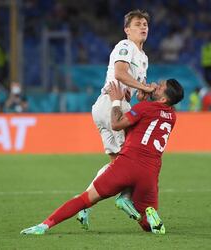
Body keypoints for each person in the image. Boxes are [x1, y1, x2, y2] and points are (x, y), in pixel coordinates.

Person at [20, 78, 184, 235]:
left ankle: (44, 226)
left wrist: (115, 101)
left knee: (85, 199)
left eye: (160, 86)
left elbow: (117, 124)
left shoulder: (145, 108)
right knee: (147, 225)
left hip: (126, 165)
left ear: (163, 98)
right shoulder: (172, 117)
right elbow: (146, 123)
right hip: (150, 173)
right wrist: (143, 100)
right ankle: (146, 213)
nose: (156, 85)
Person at [78, 9, 155, 229]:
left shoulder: (144, 58)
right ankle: (124, 198)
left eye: (145, 25)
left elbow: (134, 89)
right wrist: (141, 87)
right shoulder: (125, 46)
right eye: (138, 24)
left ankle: (84, 203)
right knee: (132, 162)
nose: (143, 27)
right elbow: (120, 74)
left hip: (108, 106)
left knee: (116, 164)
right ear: (127, 30)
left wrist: (144, 92)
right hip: (114, 105)